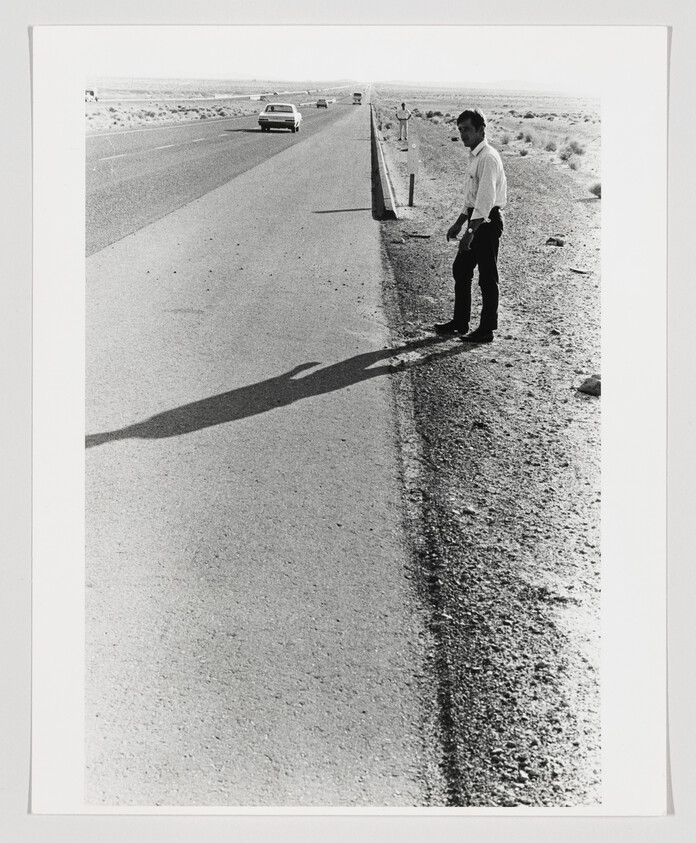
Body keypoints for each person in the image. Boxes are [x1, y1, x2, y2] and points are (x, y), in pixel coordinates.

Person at [434, 107, 507, 343]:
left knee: (487, 277)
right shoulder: (475, 155)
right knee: (462, 269)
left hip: (487, 222)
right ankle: (460, 322)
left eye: (466, 129)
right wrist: (458, 224)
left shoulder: (487, 157)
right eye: (460, 129)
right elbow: (471, 199)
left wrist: (470, 232)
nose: (462, 134)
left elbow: (485, 202)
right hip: (478, 220)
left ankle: (486, 329)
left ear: (481, 130)